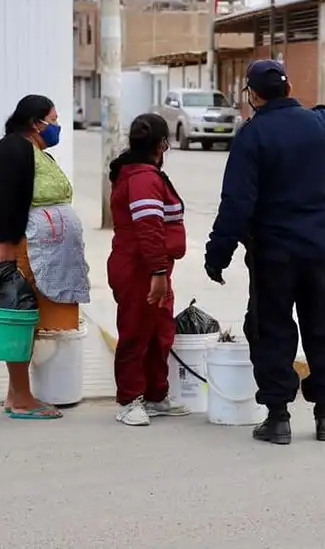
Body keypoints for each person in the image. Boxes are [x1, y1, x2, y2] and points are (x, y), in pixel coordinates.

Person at [204, 60, 325, 445]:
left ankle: (278, 418)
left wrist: (218, 253)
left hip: (273, 254)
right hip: (318, 252)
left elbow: (236, 203)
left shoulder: (252, 135)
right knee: (322, 327)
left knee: (271, 329)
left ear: (253, 95)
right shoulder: (319, 124)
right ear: (289, 86)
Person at [0, 94, 91, 420]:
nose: (57, 126)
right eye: (53, 119)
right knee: (20, 324)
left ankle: (15, 394)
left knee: (30, 323)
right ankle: (22, 399)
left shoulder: (35, 152)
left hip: (38, 252)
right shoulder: (11, 150)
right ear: (35, 122)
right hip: (18, 251)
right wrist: (7, 255)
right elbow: (4, 204)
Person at [107, 113, 190, 426]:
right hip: (139, 268)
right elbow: (148, 228)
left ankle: (156, 395)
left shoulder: (143, 173)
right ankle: (129, 399)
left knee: (159, 332)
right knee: (135, 332)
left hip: (154, 267)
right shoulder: (143, 178)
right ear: (161, 144)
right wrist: (156, 272)